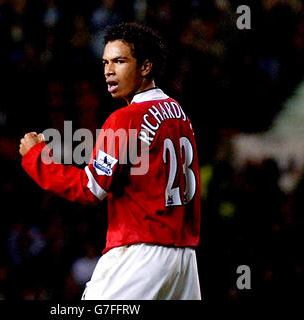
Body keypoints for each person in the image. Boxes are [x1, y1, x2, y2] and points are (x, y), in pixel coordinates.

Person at [19, 22, 201, 300]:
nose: (109, 70)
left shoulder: (125, 118)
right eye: (105, 62)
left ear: (146, 67)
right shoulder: (178, 113)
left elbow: (90, 188)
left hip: (140, 255)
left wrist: (36, 157)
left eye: (120, 61)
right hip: (184, 260)